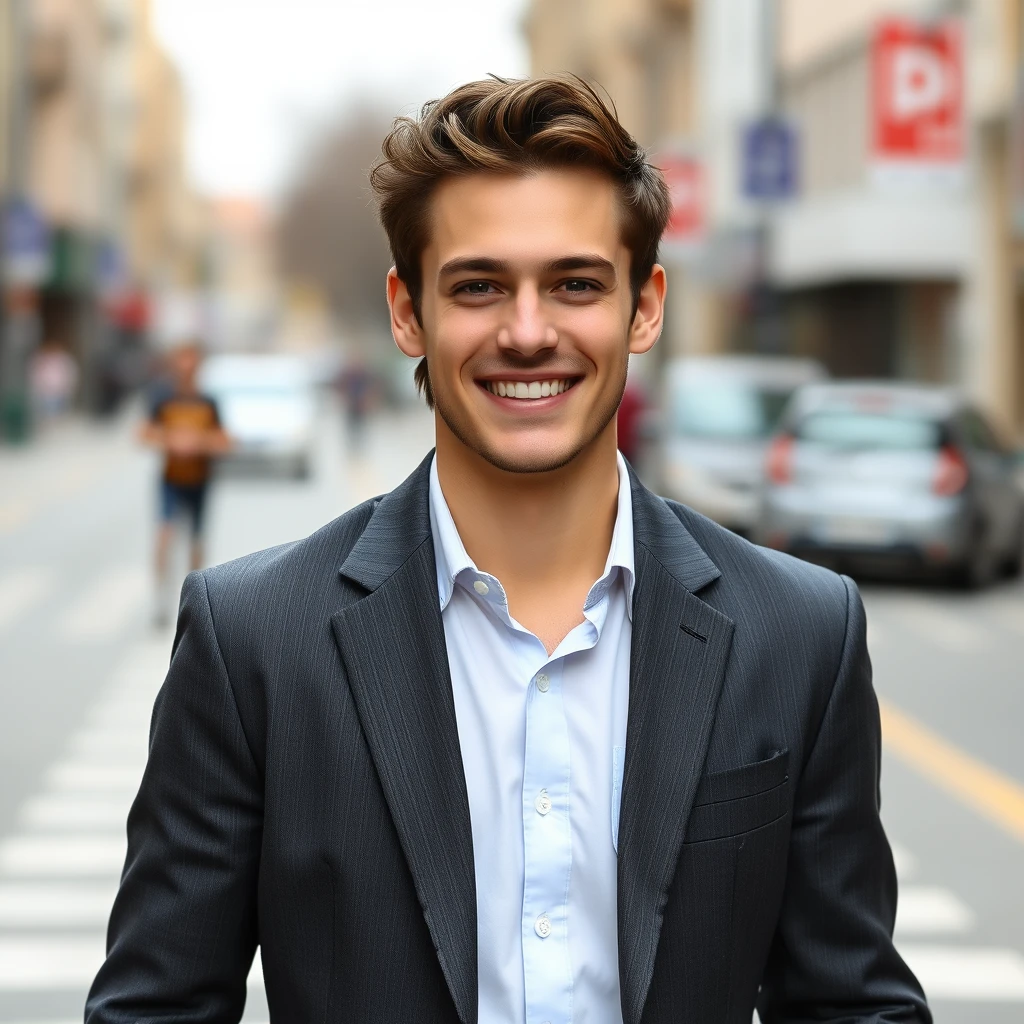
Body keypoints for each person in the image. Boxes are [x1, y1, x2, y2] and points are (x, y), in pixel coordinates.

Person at [88, 77, 929, 1023]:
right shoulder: (253, 641)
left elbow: (853, 1004)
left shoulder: (799, 632)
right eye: (480, 285)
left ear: (644, 307)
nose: (528, 334)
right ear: (409, 314)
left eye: (575, 284)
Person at [138, 342, 230, 626]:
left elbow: (224, 440)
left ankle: (195, 600)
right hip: (171, 478)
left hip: (200, 479)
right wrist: (171, 441)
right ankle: (160, 599)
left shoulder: (208, 402)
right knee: (164, 534)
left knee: (196, 540)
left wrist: (198, 443)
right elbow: (144, 433)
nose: (186, 367)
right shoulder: (163, 398)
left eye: (191, 361)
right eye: (181, 360)